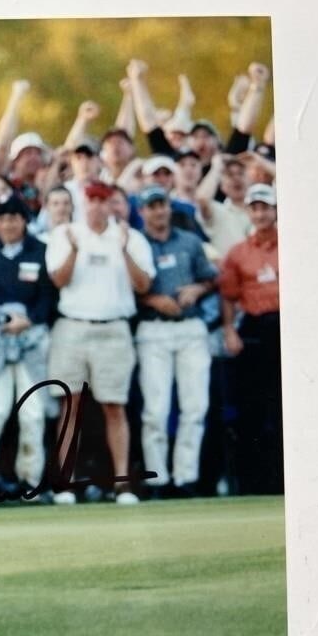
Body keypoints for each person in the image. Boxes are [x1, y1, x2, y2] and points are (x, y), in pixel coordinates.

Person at [45, 180, 155, 505]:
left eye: (102, 200)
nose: (96, 206)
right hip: (73, 326)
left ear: (111, 204)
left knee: (114, 406)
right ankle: (65, 482)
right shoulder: (65, 234)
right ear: (83, 202)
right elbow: (58, 280)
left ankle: (121, 483)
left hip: (114, 329)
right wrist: (76, 249)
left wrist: (122, 250)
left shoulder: (130, 238)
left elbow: (144, 284)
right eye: (91, 200)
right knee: (70, 404)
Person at [135, 186, 218, 497]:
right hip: (154, 328)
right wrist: (153, 299)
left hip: (189, 325)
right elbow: (128, 286)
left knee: (194, 406)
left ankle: (186, 477)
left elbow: (210, 278)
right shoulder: (136, 242)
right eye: (151, 206)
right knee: (156, 409)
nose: (158, 211)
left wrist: (196, 290)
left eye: (162, 205)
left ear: (169, 208)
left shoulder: (190, 241)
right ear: (142, 211)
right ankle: (158, 479)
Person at [0, 197, 54, 492]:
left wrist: (27, 320)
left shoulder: (41, 251)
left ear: (24, 221)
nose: (8, 224)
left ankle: (30, 479)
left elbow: (49, 297)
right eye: (2, 218)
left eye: (14, 218)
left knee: (33, 412)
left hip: (32, 339)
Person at [218, 183, 282, 495]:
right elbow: (228, 295)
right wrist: (229, 330)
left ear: (275, 209)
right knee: (254, 407)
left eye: (265, 207)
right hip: (256, 330)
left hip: (288, 327)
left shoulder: (291, 244)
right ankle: (258, 482)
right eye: (254, 208)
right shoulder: (238, 252)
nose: (260, 214)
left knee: (285, 405)